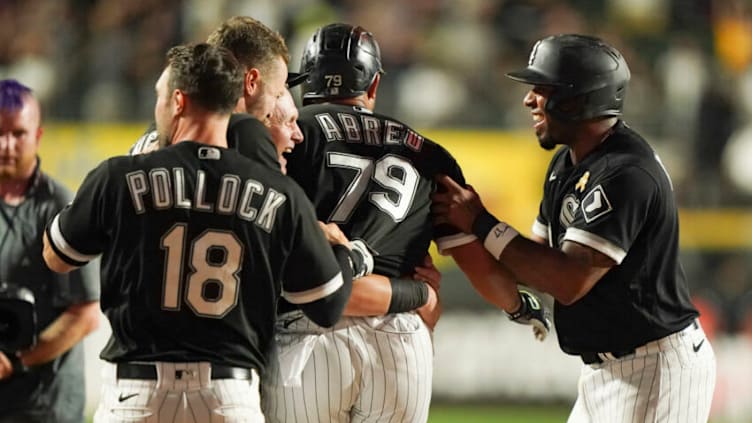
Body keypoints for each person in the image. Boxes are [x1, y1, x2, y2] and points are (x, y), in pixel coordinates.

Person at [42, 43, 355, 423]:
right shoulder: (280, 192)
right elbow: (327, 305)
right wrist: (345, 253)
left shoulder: (119, 176)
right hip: (229, 394)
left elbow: (57, 256)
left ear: (177, 100)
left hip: (137, 392)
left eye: (160, 96)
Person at [261, 23, 550, 423]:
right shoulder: (429, 153)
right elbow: (474, 262)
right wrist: (517, 306)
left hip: (309, 334)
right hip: (400, 340)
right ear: (374, 84)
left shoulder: (288, 135)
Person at [432, 34, 716, 423]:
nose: (529, 100)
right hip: (609, 369)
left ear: (580, 98)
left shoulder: (625, 172)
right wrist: (464, 234)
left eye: (543, 89)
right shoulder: (570, 164)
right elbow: (533, 263)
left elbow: (567, 281)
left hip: (655, 369)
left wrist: (481, 222)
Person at [0, 79, 100, 423]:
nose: (6, 145)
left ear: (38, 136)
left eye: (18, 134)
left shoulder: (59, 207)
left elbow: (85, 314)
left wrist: (16, 359)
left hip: (45, 403)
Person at [129, 15, 290, 171]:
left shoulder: (158, 133)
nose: (274, 109)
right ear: (251, 82)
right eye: (276, 95)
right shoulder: (245, 141)